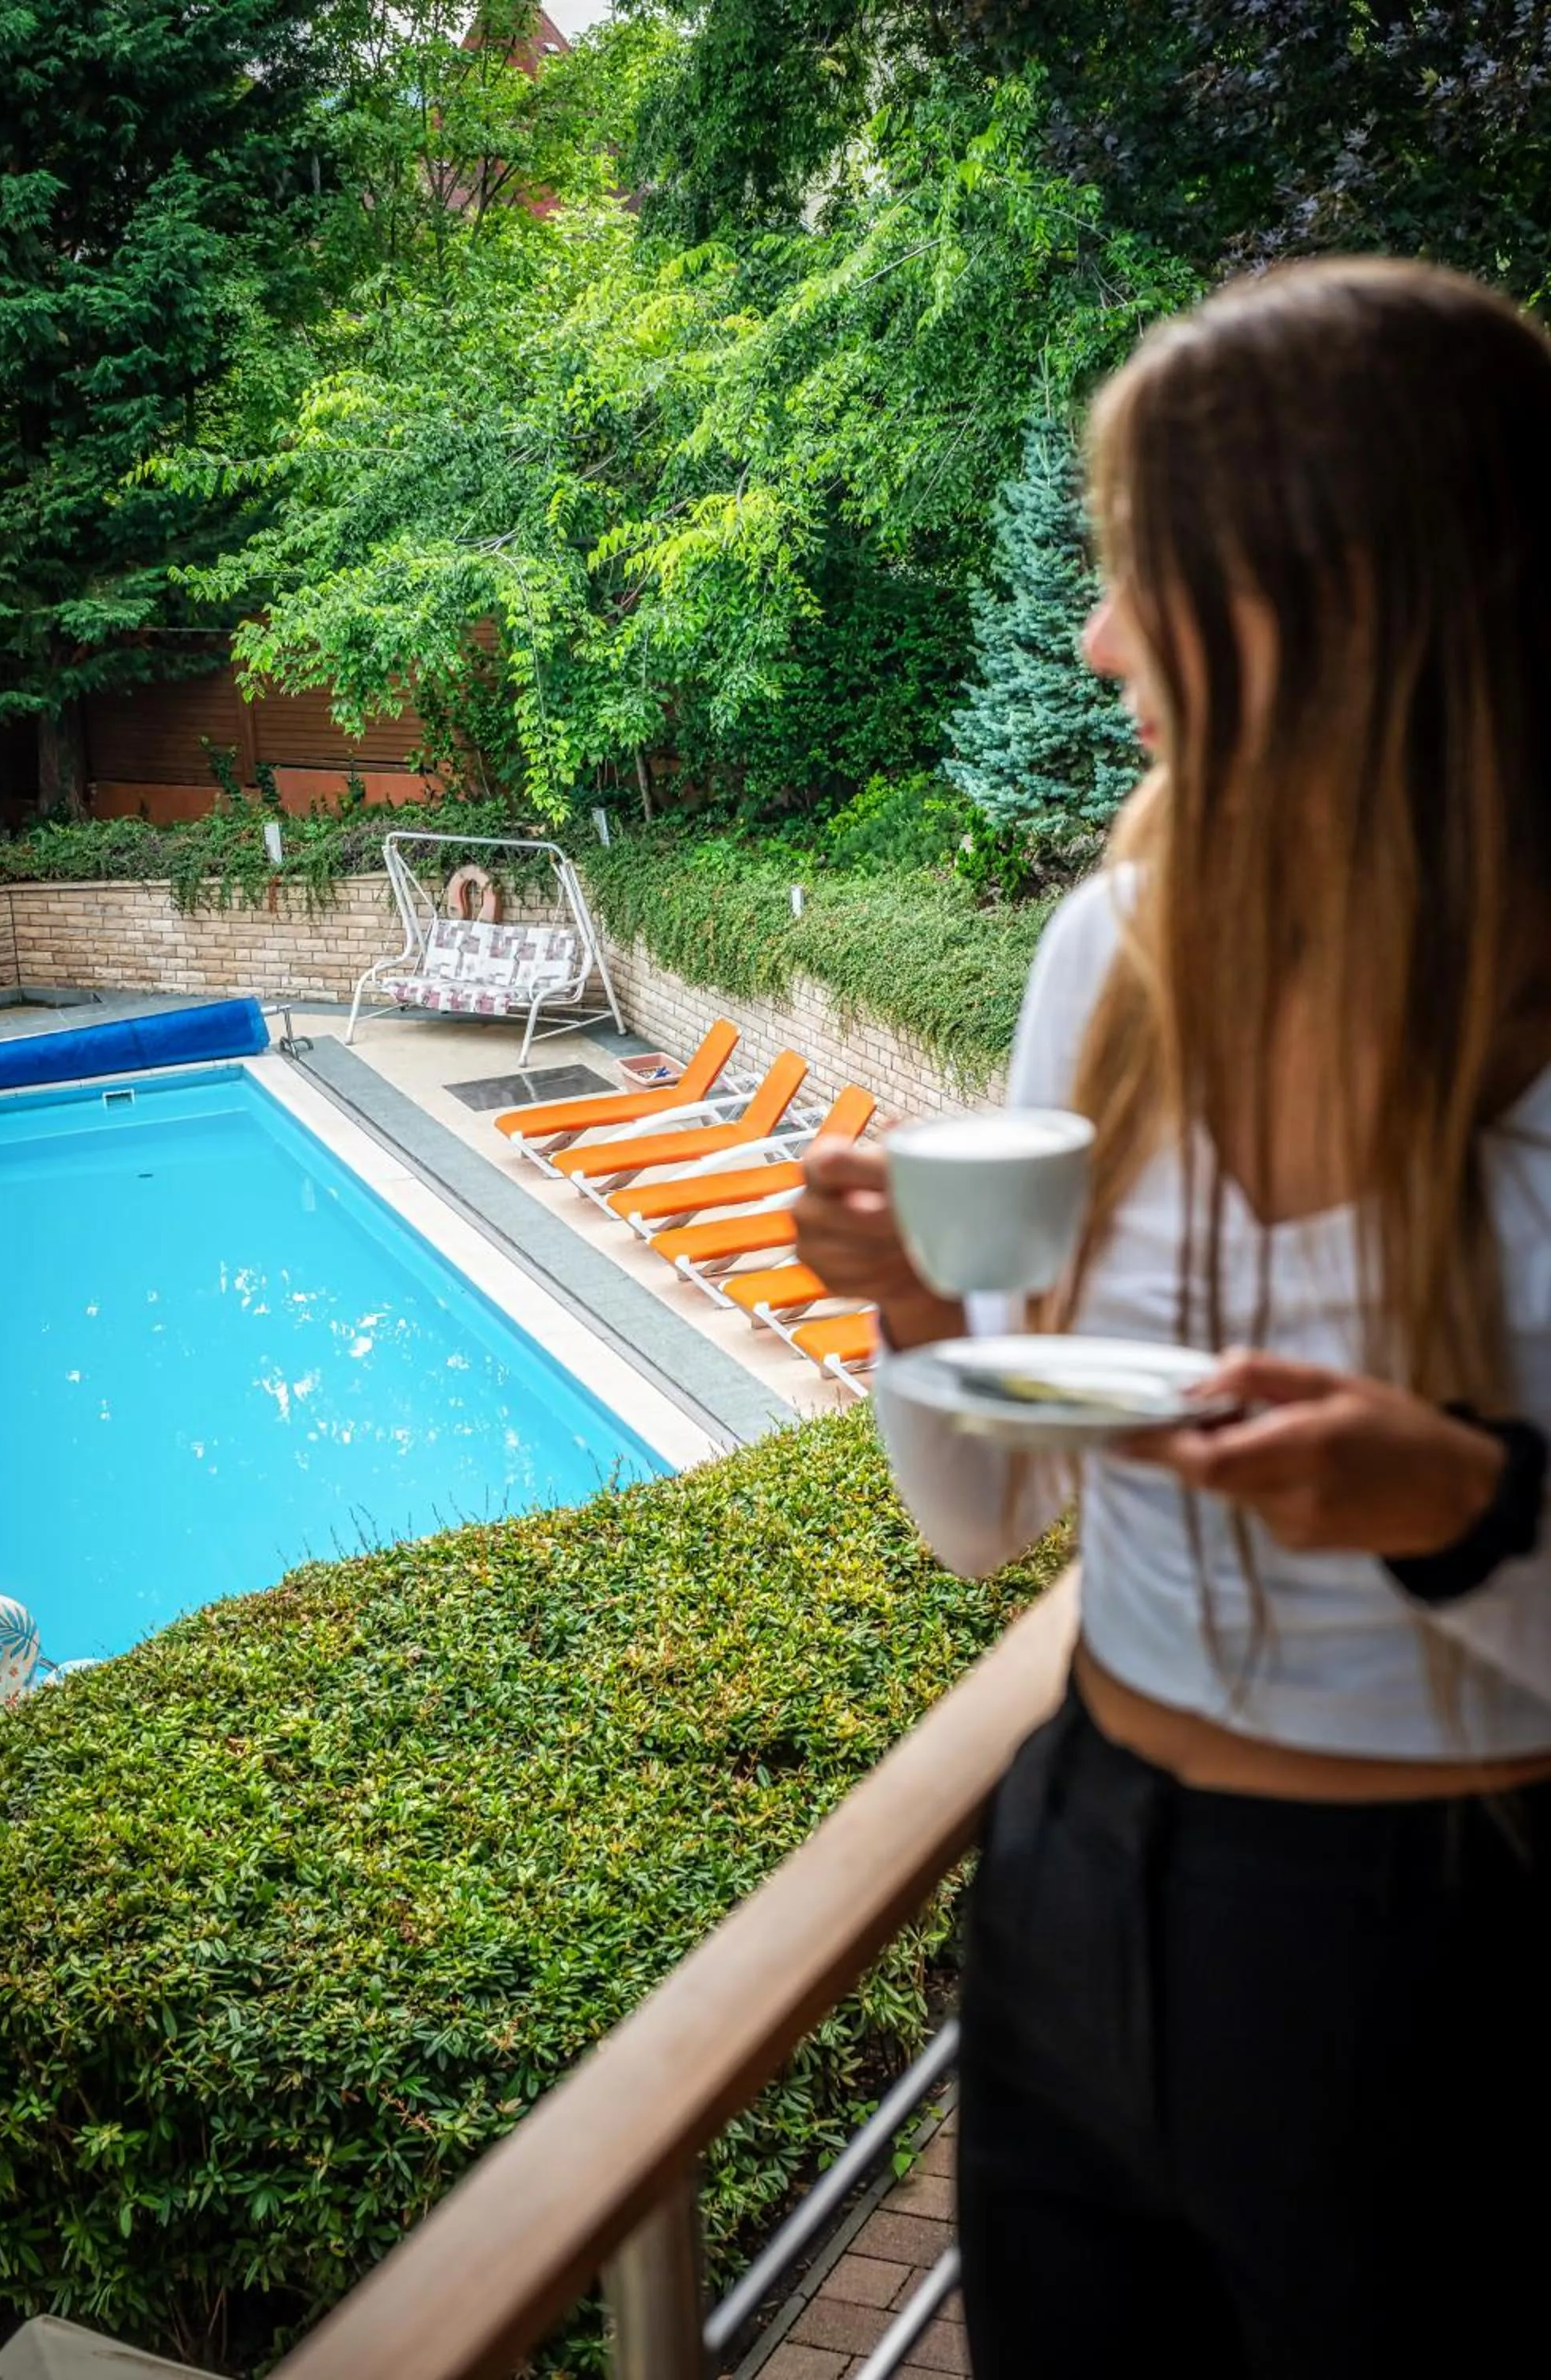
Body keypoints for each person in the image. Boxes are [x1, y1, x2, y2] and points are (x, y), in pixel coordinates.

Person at [796, 257, 1551, 2378]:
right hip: (1077, 1875)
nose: (1098, 636)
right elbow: (986, 1519)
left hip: (1448, 1938)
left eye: (1148, 577)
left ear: (1339, 599)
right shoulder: (1111, 949)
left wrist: (1461, 1502)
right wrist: (925, 1306)